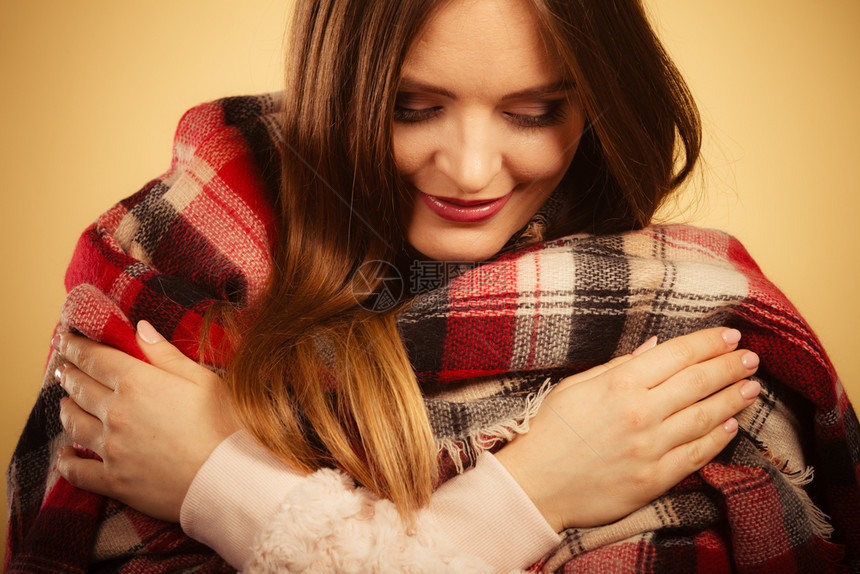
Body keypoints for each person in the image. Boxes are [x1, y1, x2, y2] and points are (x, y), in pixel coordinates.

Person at [6, 0, 859, 572]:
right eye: (412, 107)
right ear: (343, 82)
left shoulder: (683, 319)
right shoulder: (164, 255)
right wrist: (530, 498)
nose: (472, 169)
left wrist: (224, 483)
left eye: (533, 112)